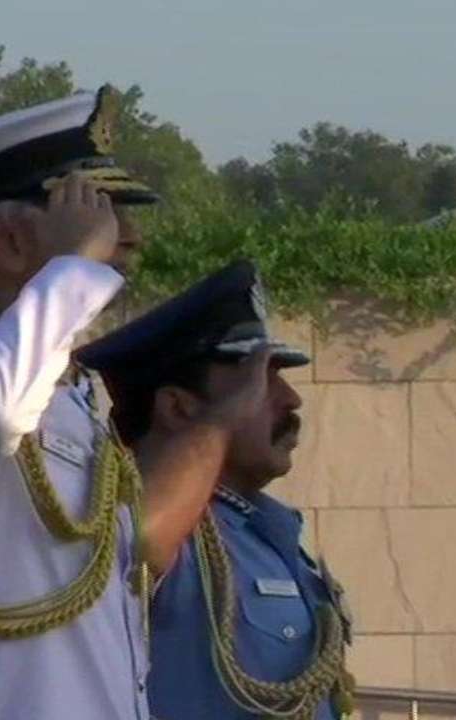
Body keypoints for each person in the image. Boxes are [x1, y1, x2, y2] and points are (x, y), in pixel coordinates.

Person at [0, 86, 269, 720]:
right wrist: (73, 268)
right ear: (8, 241)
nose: (127, 238)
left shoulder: (71, 392)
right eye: (100, 214)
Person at [77, 259, 356, 720]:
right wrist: (221, 424)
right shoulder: (155, 532)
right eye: (258, 383)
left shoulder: (265, 533)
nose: (291, 399)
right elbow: (138, 544)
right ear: (179, 408)